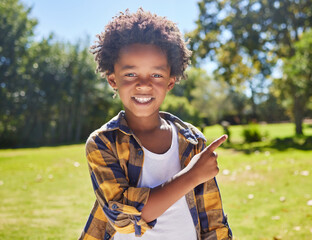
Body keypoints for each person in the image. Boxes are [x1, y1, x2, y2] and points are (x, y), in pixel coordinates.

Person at [79, 9, 232, 240]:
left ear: (171, 81)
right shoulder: (102, 143)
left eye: (156, 75)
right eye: (130, 74)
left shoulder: (192, 141)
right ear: (113, 80)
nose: (143, 85)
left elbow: (213, 221)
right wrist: (191, 175)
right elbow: (123, 219)